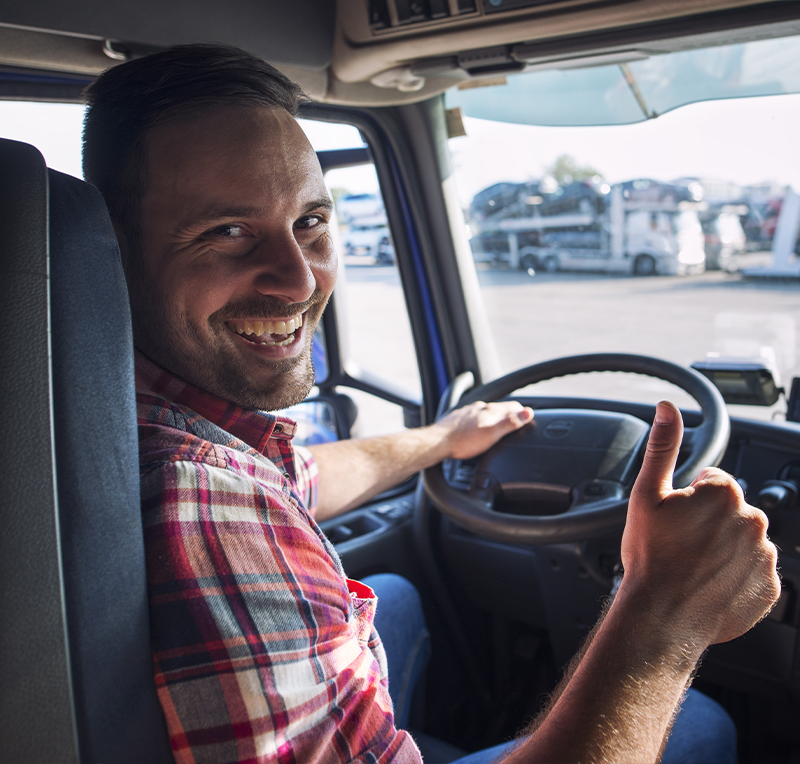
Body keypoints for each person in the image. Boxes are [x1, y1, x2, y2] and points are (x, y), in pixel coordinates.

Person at [81, 43, 780, 764]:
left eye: (311, 223)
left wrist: (443, 438)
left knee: (394, 595)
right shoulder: (203, 502)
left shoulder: (116, 416)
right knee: (698, 721)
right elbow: (232, 500)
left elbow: (294, 477)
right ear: (113, 254)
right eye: (227, 232)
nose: (299, 280)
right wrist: (663, 609)